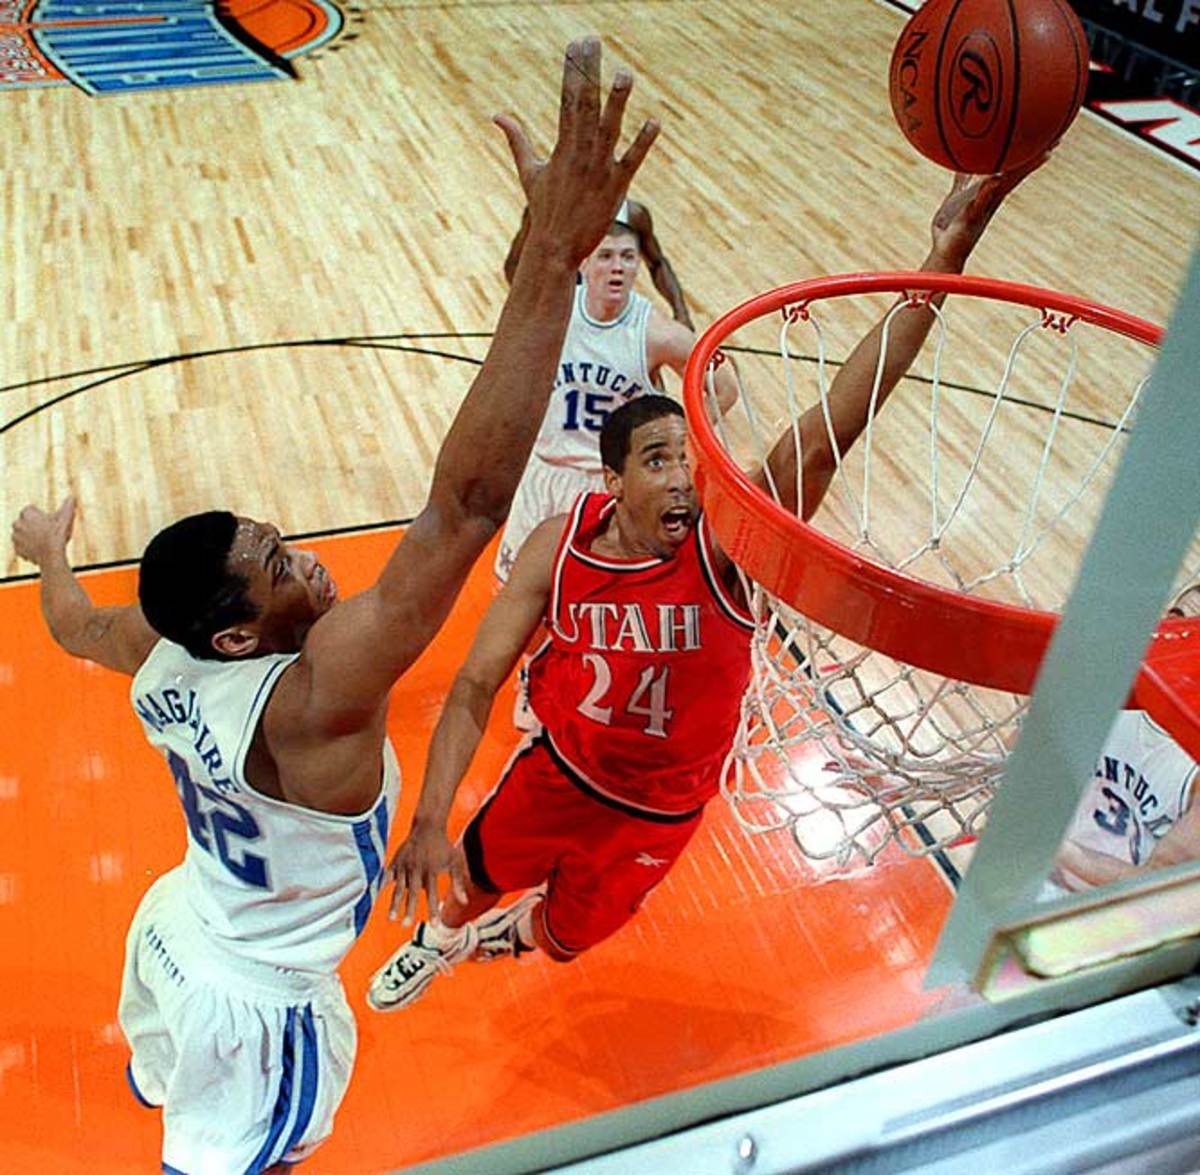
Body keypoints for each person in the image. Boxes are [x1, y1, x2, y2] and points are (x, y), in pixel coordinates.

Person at [10, 38, 658, 1174]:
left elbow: (68, 622)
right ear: (236, 632)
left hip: (178, 921)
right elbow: (464, 506)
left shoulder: (152, 649)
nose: (306, 558)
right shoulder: (313, 699)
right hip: (261, 1004)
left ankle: (159, 1076)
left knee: (159, 1067)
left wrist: (50, 552)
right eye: (277, 565)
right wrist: (550, 263)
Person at [367, 161, 1044, 1012]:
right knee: (466, 876)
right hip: (561, 771)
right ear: (610, 482)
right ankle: (443, 939)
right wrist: (431, 813)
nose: (686, 478)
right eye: (660, 460)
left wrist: (944, 258)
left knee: (564, 940)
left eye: (690, 457)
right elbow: (473, 682)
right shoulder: (559, 543)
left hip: (663, 810)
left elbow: (840, 416)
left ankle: (498, 937)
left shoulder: (728, 547)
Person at [493, 217, 739, 583]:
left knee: (601, 598)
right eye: (605, 256)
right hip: (546, 472)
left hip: (606, 485)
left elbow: (724, 386)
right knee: (511, 587)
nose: (617, 268)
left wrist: (678, 439)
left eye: (627, 258)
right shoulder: (553, 311)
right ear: (584, 264)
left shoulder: (656, 333)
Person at [1048, 583, 1200, 893]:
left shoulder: (1193, 769)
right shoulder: (1105, 690)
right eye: (1176, 616)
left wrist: (1058, 848)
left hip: (1116, 918)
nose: (1174, 631)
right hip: (1037, 874)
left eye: (1192, 632)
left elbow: (1159, 884)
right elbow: (1003, 763)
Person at [505, 195, 694, 328]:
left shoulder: (633, 214)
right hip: (561, 311)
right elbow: (514, 264)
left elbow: (658, 264)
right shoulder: (546, 209)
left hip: (614, 311)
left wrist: (681, 312)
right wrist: (531, 307)